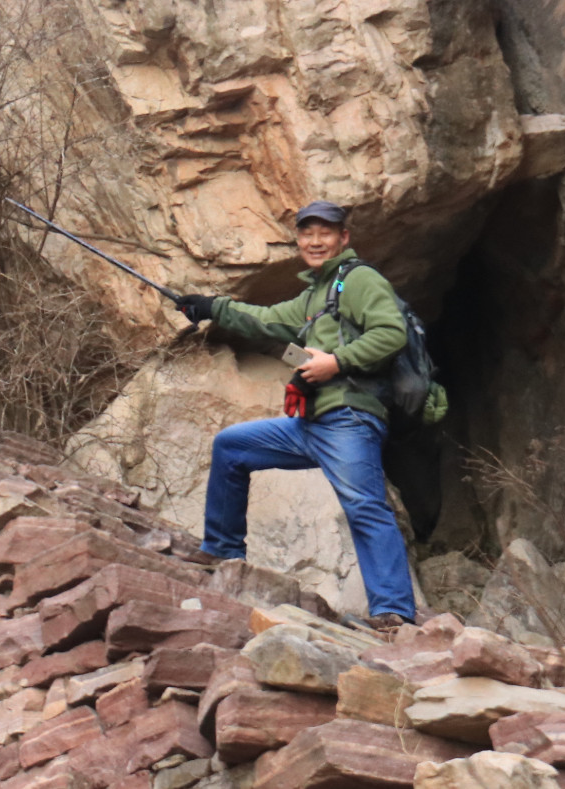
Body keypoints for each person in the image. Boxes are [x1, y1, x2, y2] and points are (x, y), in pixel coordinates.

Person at [173, 201, 418, 631]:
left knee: (363, 506)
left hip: (349, 418)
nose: (316, 241)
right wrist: (212, 308)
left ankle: (394, 611)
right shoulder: (314, 296)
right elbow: (267, 320)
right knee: (231, 446)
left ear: (344, 238)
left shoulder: (359, 280)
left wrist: (335, 363)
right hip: (311, 424)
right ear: (299, 240)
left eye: (326, 232)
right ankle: (223, 554)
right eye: (308, 233)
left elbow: (391, 333)